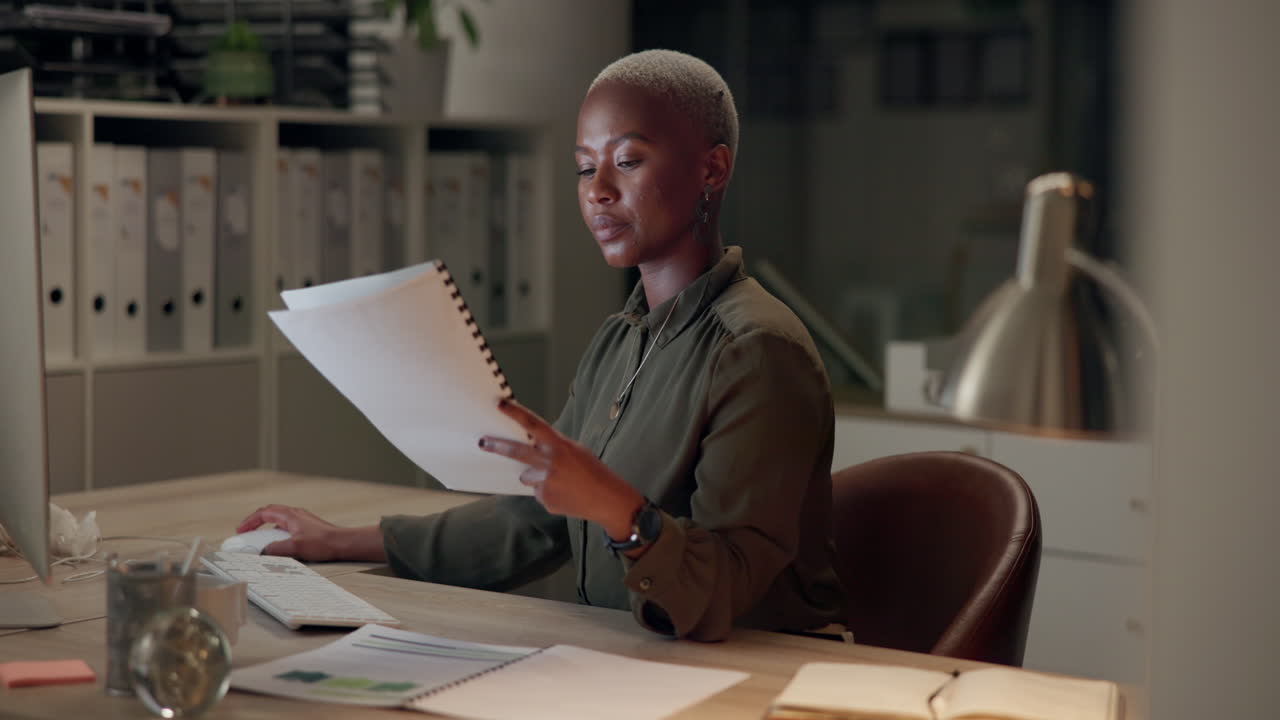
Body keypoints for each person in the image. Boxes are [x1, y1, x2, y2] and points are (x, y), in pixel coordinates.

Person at [237, 49, 845, 642]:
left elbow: (725, 587)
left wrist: (622, 514)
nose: (598, 190)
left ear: (711, 169)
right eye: (585, 167)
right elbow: (538, 518)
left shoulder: (757, 349)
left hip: (750, 676)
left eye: (628, 161)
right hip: (628, 658)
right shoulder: (622, 338)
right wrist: (338, 541)